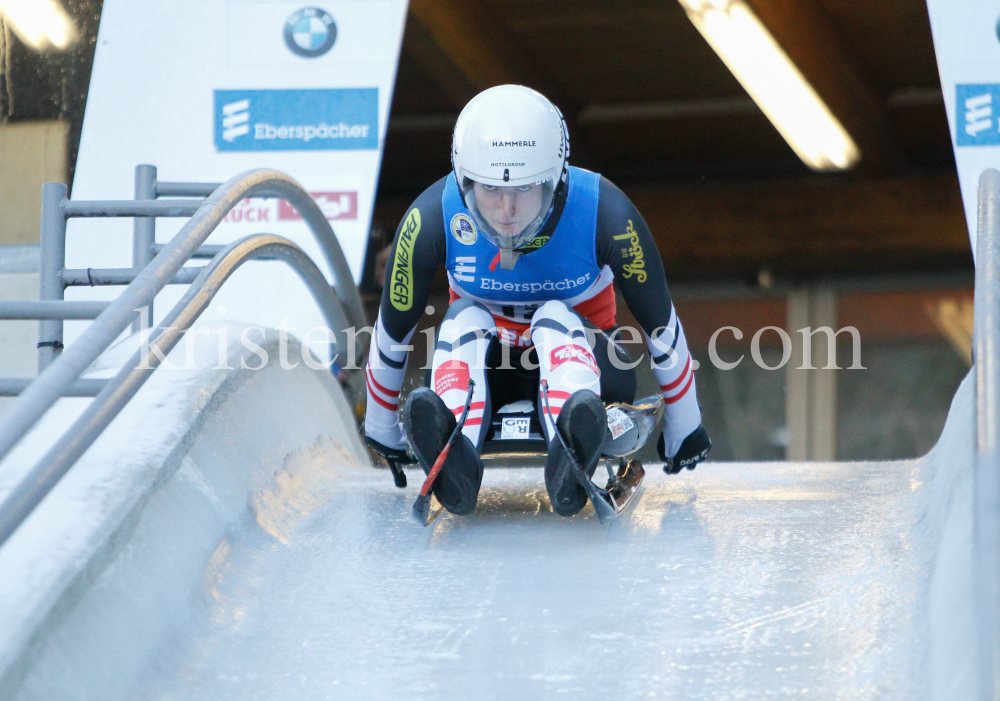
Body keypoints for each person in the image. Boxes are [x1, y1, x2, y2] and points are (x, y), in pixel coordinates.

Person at [364, 85, 711, 517]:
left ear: (556, 177)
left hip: (589, 366)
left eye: (525, 190)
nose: (507, 210)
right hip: (486, 369)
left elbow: (661, 325)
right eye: (490, 190)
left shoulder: (608, 213)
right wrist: (381, 427)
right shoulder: (430, 217)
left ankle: (570, 446)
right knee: (463, 318)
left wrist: (685, 424)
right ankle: (458, 459)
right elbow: (395, 326)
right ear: (464, 180)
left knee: (553, 313)